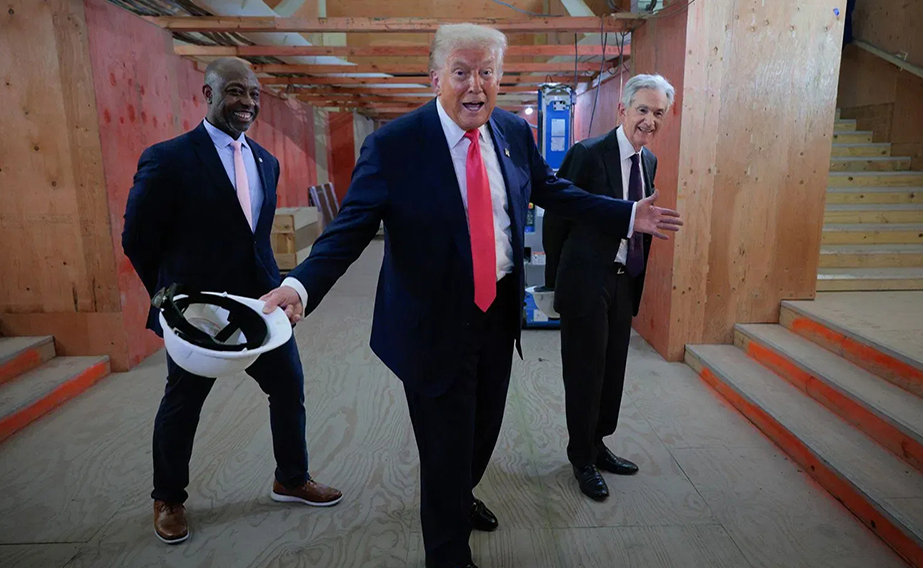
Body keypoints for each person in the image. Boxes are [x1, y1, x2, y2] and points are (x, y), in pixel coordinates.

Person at [260, 24, 682, 568]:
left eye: (487, 73)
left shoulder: (511, 130)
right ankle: (447, 551)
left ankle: (461, 496)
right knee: (444, 448)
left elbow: (553, 189)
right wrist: (300, 284)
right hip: (431, 321)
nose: (475, 86)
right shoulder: (395, 145)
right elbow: (349, 229)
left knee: (483, 430)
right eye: (461, 72)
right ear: (435, 77)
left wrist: (625, 214)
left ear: (500, 78)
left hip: (497, 313)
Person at [121, 57, 343, 546]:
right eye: (236, 92)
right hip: (197, 312)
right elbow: (137, 238)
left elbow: (255, 239)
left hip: (259, 304)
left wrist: (280, 290)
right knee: (183, 402)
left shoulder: (266, 161)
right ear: (208, 93)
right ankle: (168, 498)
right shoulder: (169, 159)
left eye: (254, 94)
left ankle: (291, 478)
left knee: (288, 388)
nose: (247, 103)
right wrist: (166, 300)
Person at [543, 74, 675, 502]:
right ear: (622, 110)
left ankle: (598, 443)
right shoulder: (587, 154)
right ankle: (581, 457)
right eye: (643, 110)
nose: (650, 120)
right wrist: (554, 283)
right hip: (585, 280)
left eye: (659, 113)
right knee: (585, 371)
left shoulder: (648, 161)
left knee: (612, 369)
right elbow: (557, 218)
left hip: (623, 279)